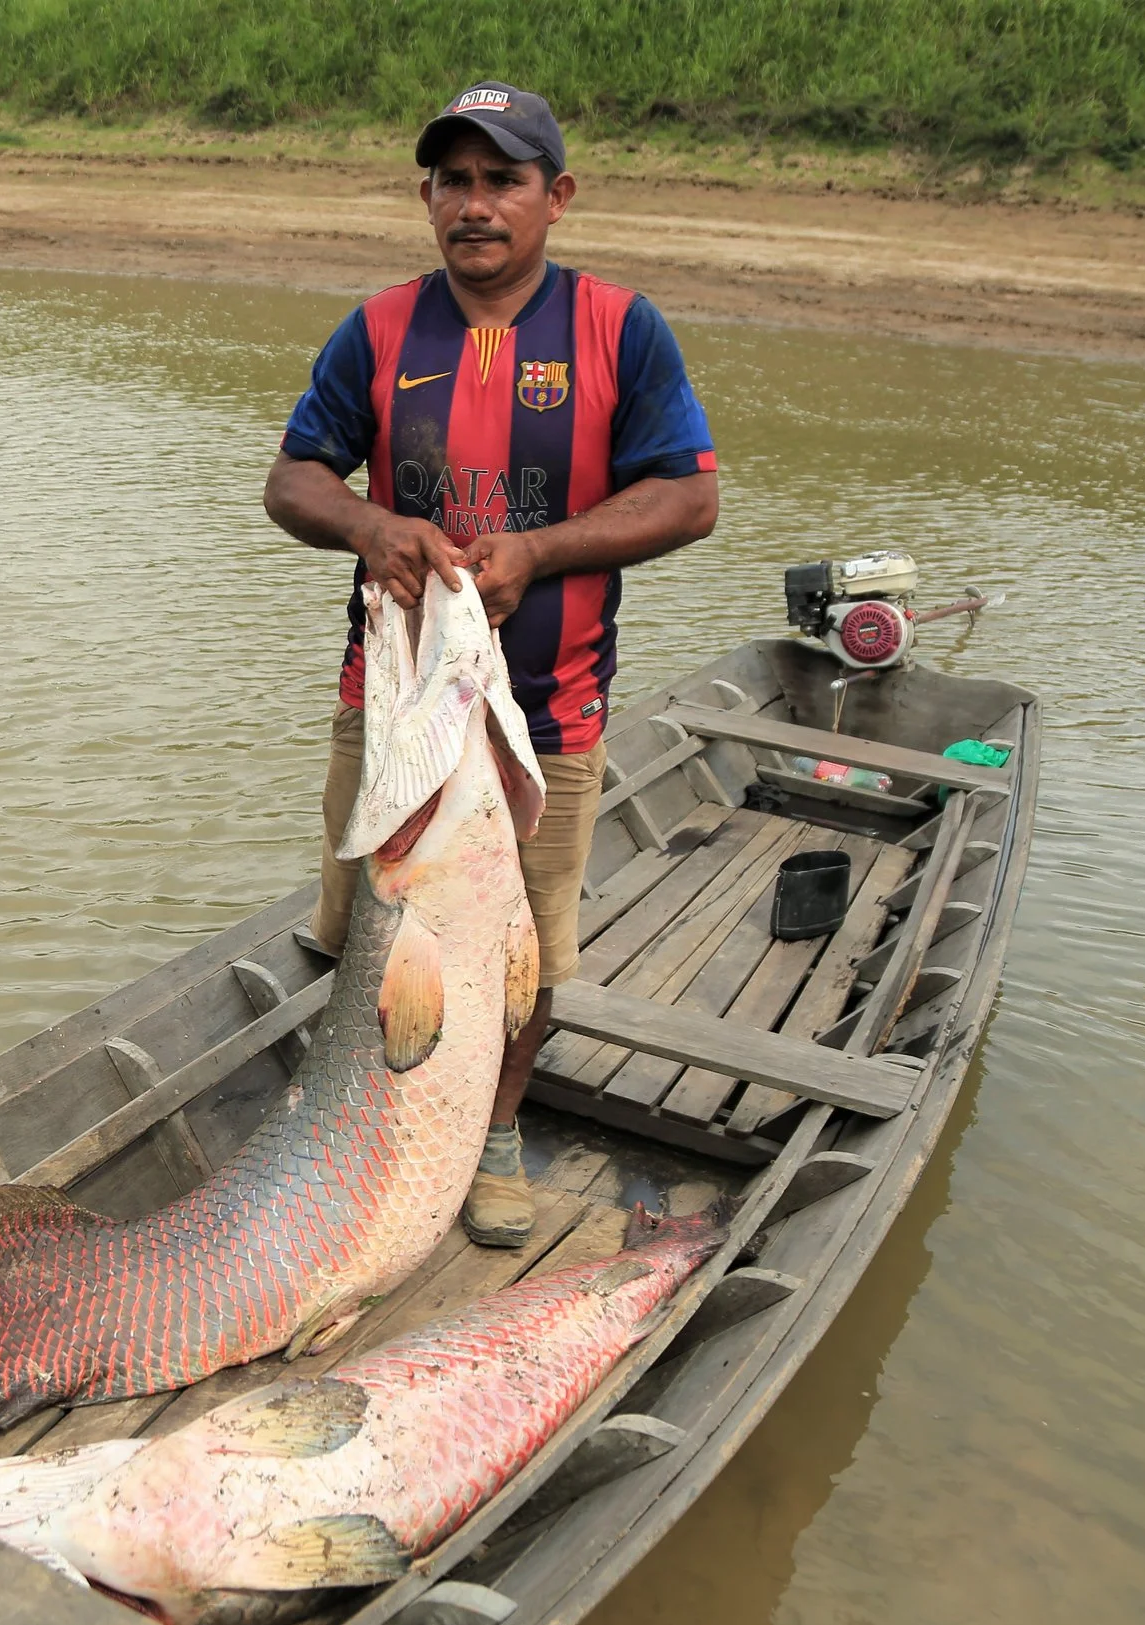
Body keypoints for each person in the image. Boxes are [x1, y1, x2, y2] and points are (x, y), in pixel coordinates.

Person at [264, 81, 720, 1247]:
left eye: (502, 179)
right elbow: (294, 480)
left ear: (554, 197)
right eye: (452, 181)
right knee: (363, 923)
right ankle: (358, 1113)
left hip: (547, 711)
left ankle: (498, 1125)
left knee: (525, 951)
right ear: (428, 198)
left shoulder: (621, 329)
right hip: (393, 712)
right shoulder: (376, 329)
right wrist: (371, 526)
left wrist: (543, 550)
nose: (475, 204)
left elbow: (689, 496)